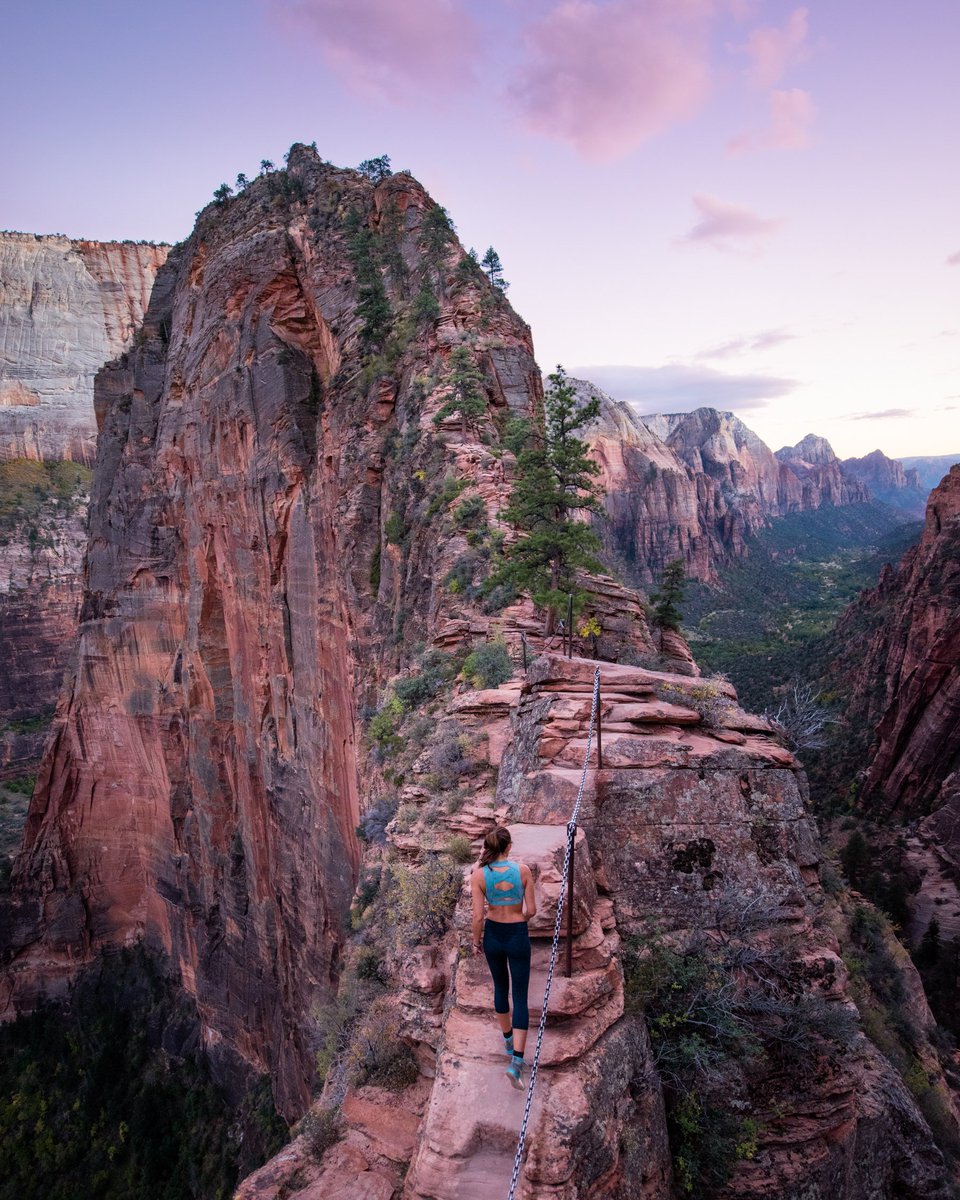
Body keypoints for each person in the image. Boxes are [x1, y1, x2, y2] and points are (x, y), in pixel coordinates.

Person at [470, 826, 536, 1089]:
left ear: (488, 848)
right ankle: (516, 1064)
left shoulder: (478, 875)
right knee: (520, 996)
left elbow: (477, 917)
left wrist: (476, 941)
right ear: (509, 847)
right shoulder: (523, 872)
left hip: (493, 936)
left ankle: (507, 1038)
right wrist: (520, 917)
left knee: (500, 988)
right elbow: (531, 910)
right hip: (517, 935)